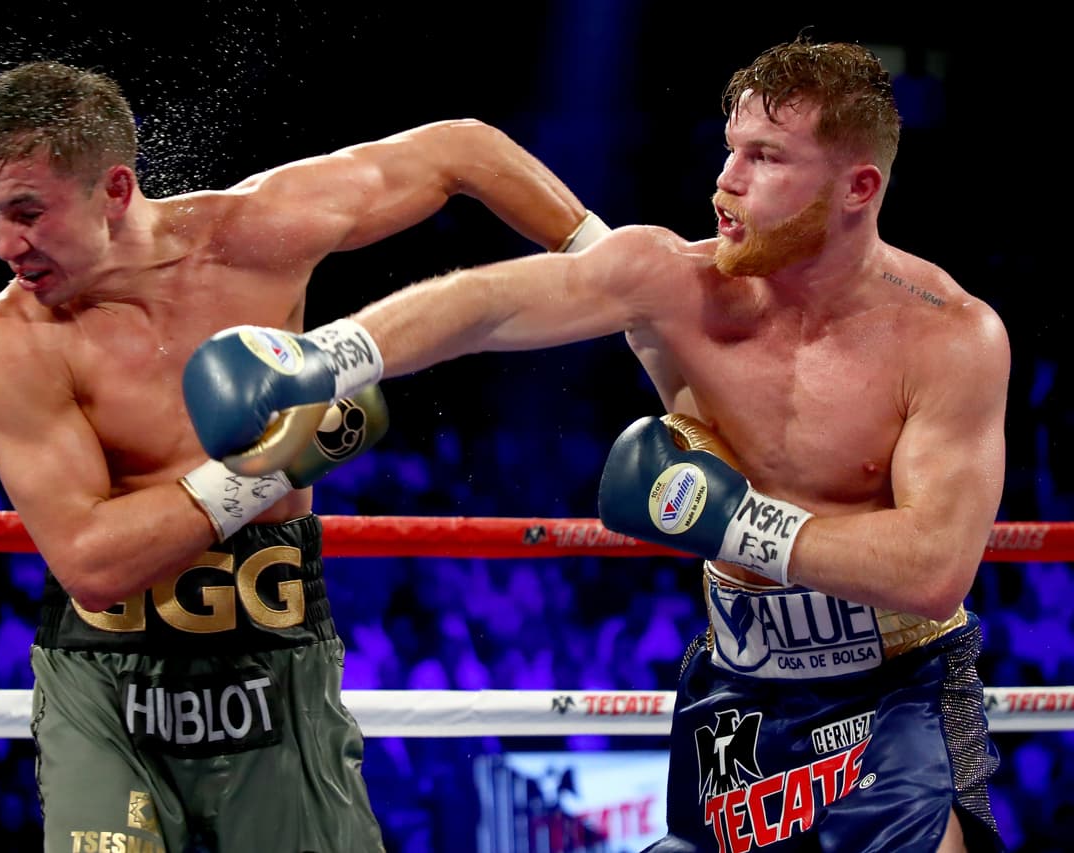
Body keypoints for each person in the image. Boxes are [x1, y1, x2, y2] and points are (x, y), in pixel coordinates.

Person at [185, 36, 1009, 852]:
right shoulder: (679, 284)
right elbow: (493, 303)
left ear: (858, 186)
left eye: (765, 158)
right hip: (738, 686)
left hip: (903, 687)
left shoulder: (950, 338)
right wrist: (324, 357)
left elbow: (935, 570)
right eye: (731, 151)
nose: (726, 181)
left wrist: (735, 524)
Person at [0, 60, 602, 852]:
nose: (4, 244)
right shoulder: (10, 337)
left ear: (116, 190)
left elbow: (459, 150)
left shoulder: (252, 235)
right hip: (105, 684)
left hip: (273, 655)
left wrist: (609, 264)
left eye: (26, 212)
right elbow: (91, 561)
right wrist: (272, 460)